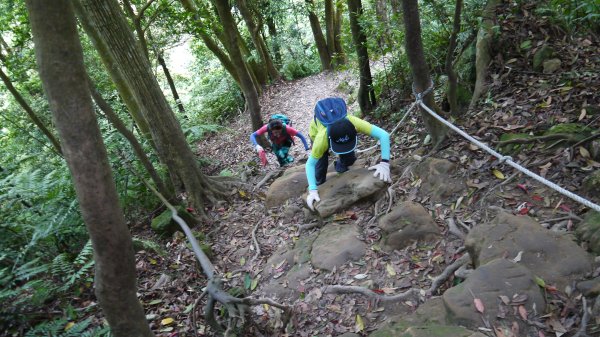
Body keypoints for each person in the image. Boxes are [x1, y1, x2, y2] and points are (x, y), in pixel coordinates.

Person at [305, 97, 391, 210]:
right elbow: (310, 164)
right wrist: (312, 190)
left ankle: (340, 166)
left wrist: (385, 164)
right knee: (320, 165)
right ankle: (319, 181)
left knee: (349, 159)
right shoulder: (321, 139)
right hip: (316, 134)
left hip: (340, 134)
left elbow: (384, 135)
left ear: (355, 130)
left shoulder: (353, 121)